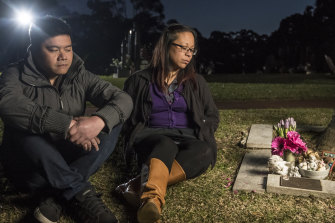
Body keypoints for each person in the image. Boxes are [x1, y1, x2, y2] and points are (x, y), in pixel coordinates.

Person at [0, 16, 133, 223]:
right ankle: (79, 191)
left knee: (114, 120)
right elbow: (8, 105)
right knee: (21, 128)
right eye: (53, 50)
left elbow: (123, 99)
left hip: (69, 158)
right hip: (31, 166)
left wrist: (97, 121)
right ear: (34, 49)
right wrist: (68, 124)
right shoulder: (14, 74)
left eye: (68, 49)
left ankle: (54, 197)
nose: (63, 56)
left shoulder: (78, 75)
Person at [116, 24, 219, 223]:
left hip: (187, 136)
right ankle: (152, 200)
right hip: (151, 136)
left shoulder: (196, 82)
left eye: (191, 50)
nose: (188, 54)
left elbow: (212, 115)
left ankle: (134, 186)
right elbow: (126, 117)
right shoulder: (138, 81)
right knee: (165, 144)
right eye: (183, 47)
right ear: (165, 46)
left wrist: (204, 130)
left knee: (205, 151)